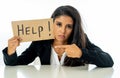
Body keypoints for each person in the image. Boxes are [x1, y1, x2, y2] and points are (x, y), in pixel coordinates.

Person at [2, 5, 114, 67]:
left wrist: (81, 53)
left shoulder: (81, 39)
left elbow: (108, 61)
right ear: (52, 23)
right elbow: (16, 63)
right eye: (59, 24)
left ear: (74, 28)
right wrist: (11, 52)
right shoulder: (41, 41)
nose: (63, 31)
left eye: (68, 26)